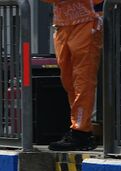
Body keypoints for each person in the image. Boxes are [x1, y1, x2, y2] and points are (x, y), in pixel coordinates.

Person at [44, 0, 103, 151]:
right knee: (68, 80)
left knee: (83, 80)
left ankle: (81, 132)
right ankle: (79, 128)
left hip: (87, 21)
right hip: (63, 24)